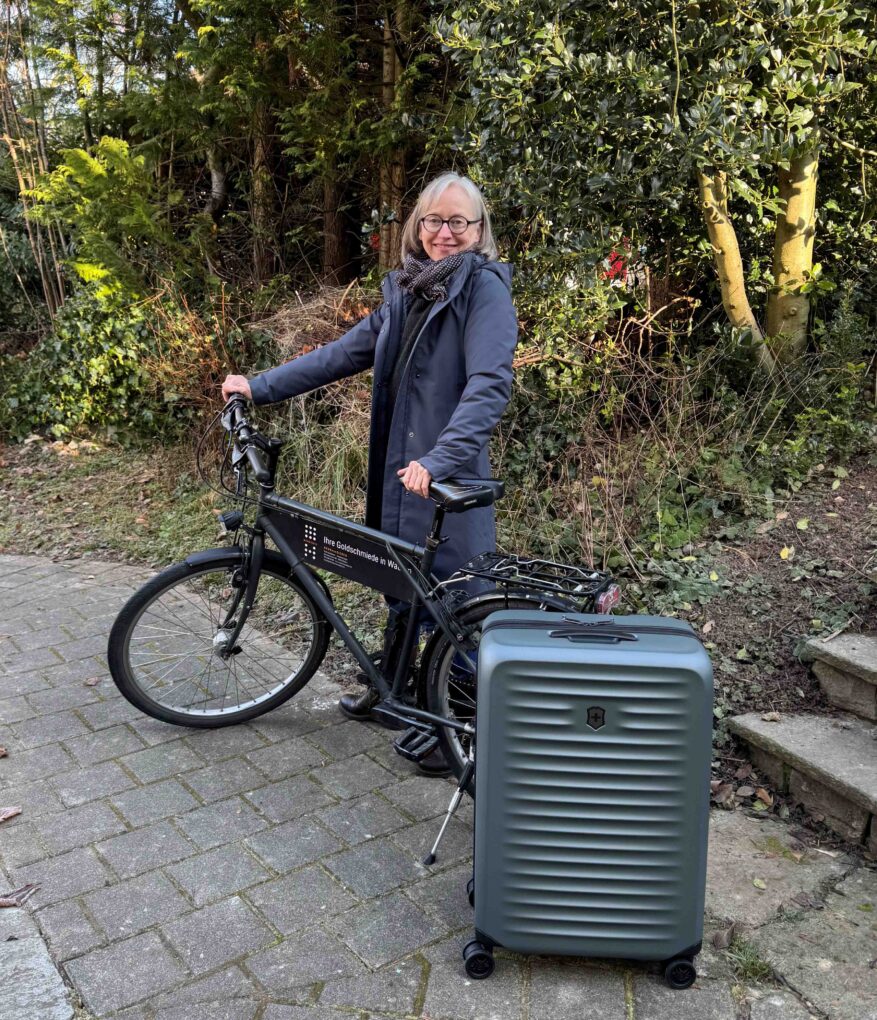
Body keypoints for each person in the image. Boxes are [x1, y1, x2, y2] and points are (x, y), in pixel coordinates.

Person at [221, 171, 518, 774]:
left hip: (444, 478)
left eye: (459, 221)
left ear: (479, 230)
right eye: (434, 220)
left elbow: (490, 384)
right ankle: (395, 694)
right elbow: (341, 355)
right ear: (417, 226)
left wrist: (440, 460)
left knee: (458, 601)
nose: (445, 233)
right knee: (401, 582)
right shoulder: (406, 291)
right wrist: (259, 386)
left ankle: (455, 733)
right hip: (401, 472)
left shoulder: (483, 290)